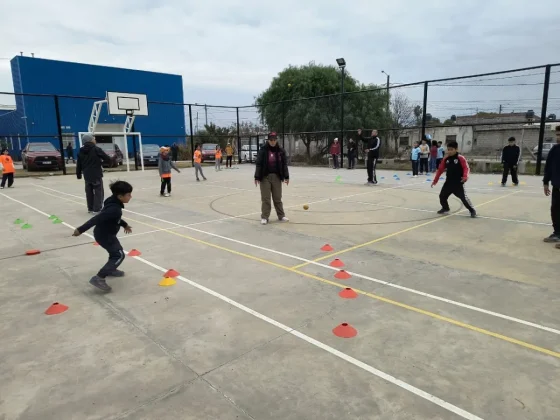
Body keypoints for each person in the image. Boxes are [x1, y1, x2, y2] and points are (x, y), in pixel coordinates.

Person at [72, 180, 133, 292]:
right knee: (118, 255)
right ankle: (99, 278)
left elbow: (115, 219)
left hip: (105, 233)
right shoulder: (114, 209)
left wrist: (124, 225)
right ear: (120, 196)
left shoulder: (112, 201)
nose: (131, 196)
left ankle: (111, 269)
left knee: (114, 253)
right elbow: (97, 218)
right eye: (128, 195)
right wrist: (81, 229)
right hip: (105, 235)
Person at [431, 140, 477, 218]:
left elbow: (466, 168)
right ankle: (445, 208)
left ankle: (472, 210)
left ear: (456, 149)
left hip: (458, 183)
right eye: (448, 149)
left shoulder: (460, 158)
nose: (449, 151)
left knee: (464, 199)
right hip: (448, 183)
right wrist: (435, 181)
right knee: (442, 196)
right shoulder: (446, 159)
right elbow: (440, 170)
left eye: (451, 149)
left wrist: (465, 177)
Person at [254, 132, 289, 225]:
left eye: (274, 140)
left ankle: (281, 215)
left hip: (277, 177)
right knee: (266, 198)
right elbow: (259, 164)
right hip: (265, 177)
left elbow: (284, 164)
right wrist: (256, 177)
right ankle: (265, 217)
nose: (273, 142)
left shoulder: (281, 151)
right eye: (271, 140)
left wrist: (286, 177)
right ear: (268, 140)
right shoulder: (263, 150)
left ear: (276, 140)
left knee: (277, 198)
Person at [76, 134, 112, 213]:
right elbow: (107, 158)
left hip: (87, 175)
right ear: (90, 140)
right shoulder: (96, 149)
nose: (95, 140)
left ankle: (90, 208)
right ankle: (97, 208)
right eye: (94, 139)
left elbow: (79, 164)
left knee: (89, 192)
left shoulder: (80, 151)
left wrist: (78, 174)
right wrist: (107, 162)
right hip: (96, 174)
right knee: (98, 191)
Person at [543, 125, 560, 246]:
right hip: (557, 186)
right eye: (557, 135)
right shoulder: (555, 149)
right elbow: (548, 167)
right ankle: (557, 233)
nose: (558, 137)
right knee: (555, 210)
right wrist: (545, 182)